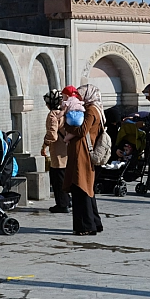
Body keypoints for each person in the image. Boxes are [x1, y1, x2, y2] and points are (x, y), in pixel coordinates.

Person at [63, 84, 103, 236]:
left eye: (81, 95)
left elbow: (81, 130)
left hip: (82, 154)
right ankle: (94, 222)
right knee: (87, 188)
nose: (79, 98)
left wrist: (67, 124)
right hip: (82, 152)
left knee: (81, 187)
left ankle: (86, 226)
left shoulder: (92, 110)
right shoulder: (94, 109)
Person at [41, 89, 71, 214]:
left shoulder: (53, 114)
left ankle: (62, 204)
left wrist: (44, 146)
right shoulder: (65, 112)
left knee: (57, 180)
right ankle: (67, 201)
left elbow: (52, 135)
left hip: (58, 152)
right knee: (64, 177)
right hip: (67, 150)